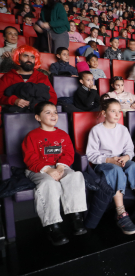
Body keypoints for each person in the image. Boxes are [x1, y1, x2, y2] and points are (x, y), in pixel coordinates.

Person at [86, 98, 135, 234]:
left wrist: (126, 157)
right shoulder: (96, 130)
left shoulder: (123, 129)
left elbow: (129, 149)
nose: (117, 114)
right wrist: (110, 160)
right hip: (105, 163)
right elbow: (91, 155)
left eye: (119, 111)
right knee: (116, 170)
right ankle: (121, 213)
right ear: (104, 113)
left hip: (121, 160)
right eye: (113, 111)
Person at [23, 101, 87, 246]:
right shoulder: (32, 136)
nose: (53, 115)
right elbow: (30, 158)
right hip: (39, 169)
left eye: (55, 112)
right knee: (49, 183)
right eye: (48, 112)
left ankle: (75, 217)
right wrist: (48, 170)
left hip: (60, 167)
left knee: (75, 176)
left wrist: (59, 167)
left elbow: (69, 153)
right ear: (38, 117)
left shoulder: (62, 134)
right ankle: (53, 226)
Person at [0, 45, 58, 111]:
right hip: (15, 115)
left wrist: (41, 106)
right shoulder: (8, 76)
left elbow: (52, 97)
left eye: (32, 57)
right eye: (25, 55)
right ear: (18, 58)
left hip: (37, 113)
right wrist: (14, 100)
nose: (29, 59)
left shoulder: (42, 77)